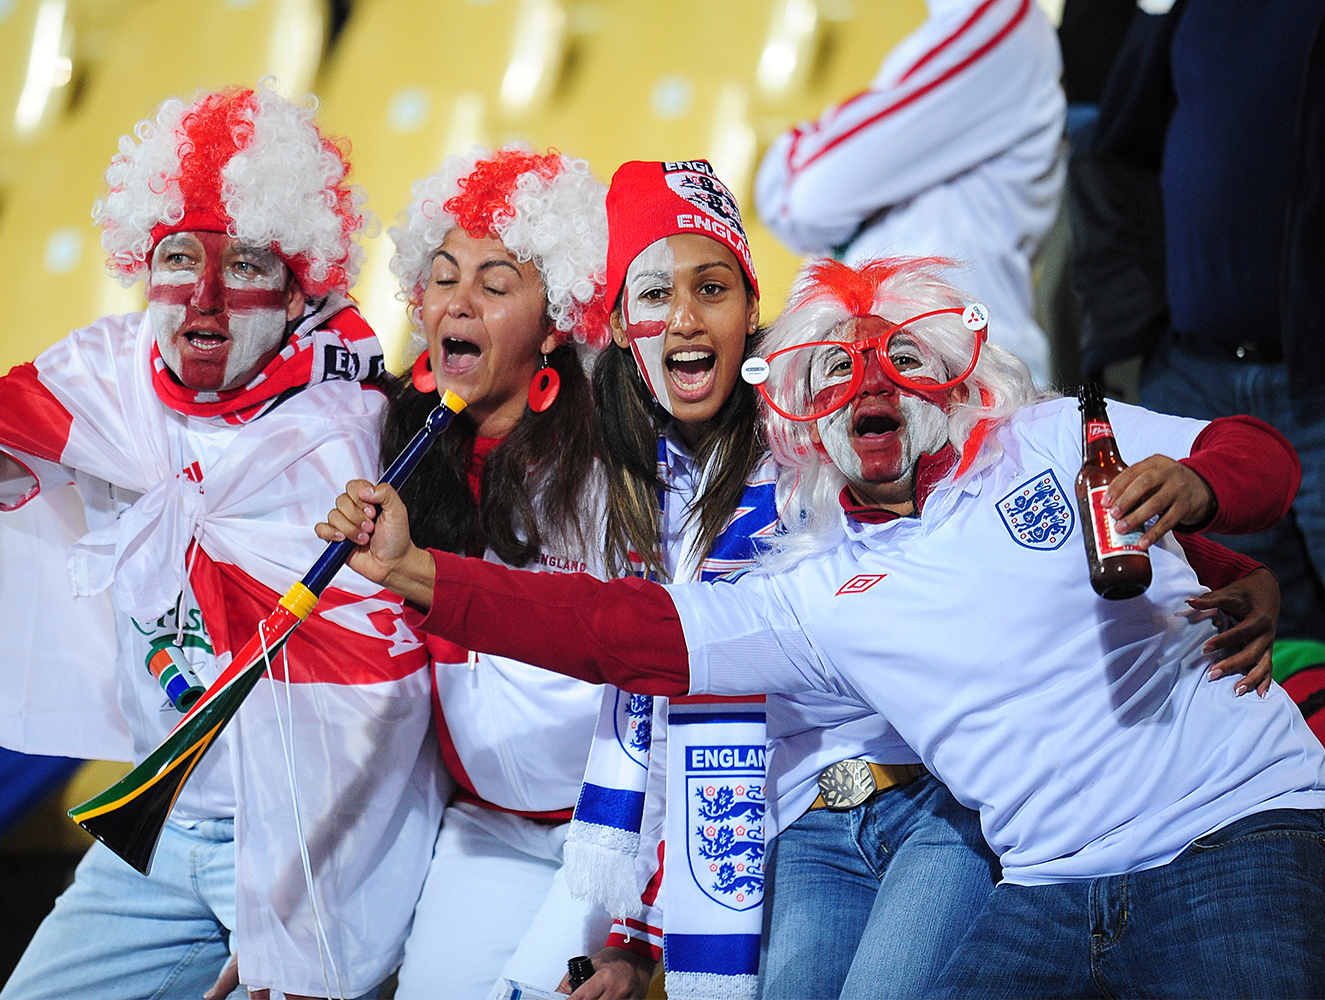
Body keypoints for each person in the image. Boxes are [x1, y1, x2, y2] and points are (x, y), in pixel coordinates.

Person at [325, 257, 1321, 998]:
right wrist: (418, 570)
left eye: (897, 360)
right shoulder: (814, 590)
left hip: (1232, 825)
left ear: (949, 377)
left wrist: (1203, 492)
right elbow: (615, 627)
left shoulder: (1051, 435)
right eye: (839, 370)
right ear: (803, 415)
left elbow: (1264, 457)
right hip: (1050, 883)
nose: (872, 385)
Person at [567, 216, 1274, 1000]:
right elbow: (650, 678)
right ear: (623, 327)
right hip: (802, 818)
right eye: (656, 295)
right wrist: (635, 935)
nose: (686, 319)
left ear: (750, 306)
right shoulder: (626, 491)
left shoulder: (825, 418)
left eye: (711, 288)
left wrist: (1237, 565)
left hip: (939, 803)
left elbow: (1064, 522)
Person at [0, 86, 441, 1000]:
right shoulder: (104, 379)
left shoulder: (354, 425)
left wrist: (291, 914)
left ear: (299, 285)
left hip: (317, 834)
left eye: (244, 262)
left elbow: (382, 698)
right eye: (179, 258)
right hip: (159, 828)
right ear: (144, 266)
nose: (204, 297)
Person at [381, 145, 613, 1000]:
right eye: (442, 277)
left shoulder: (615, 461)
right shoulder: (396, 441)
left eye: (495, 282)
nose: (459, 302)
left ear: (556, 321)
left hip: (611, 831)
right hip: (482, 829)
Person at [1069, 0, 1325, 645]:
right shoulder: (1182, 9)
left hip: (1312, 385)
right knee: (1249, 649)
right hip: (1189, 379)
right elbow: (1113, 155)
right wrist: (1130, 340)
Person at [753, 0, 1065, 385]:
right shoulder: (944, 34)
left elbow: (804, 199)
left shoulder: (1000, 20)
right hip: (891, 376)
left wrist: (795, 151)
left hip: (966, 379)